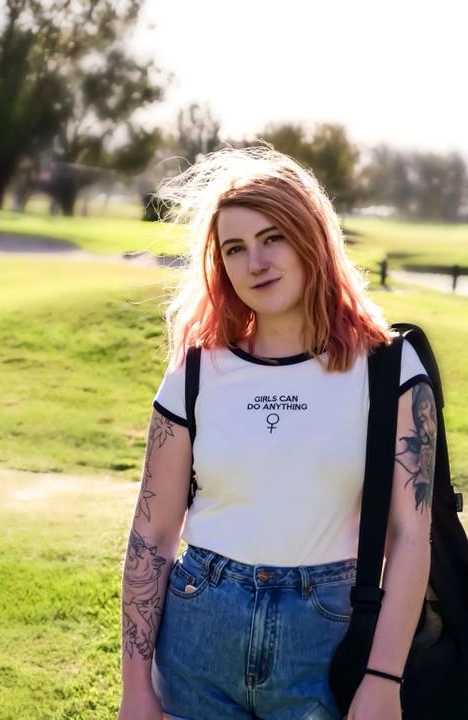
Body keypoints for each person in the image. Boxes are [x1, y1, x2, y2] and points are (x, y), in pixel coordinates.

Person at [118, 146, 437, 720]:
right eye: (234, 249)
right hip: (199, 629)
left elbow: (411, 534)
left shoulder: (390, 368)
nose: (255, 262)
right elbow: (152, 535)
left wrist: (383, 678)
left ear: (310, 237)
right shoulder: (195, 372)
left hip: (326, 636)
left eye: (273, 238)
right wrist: (136, 689)